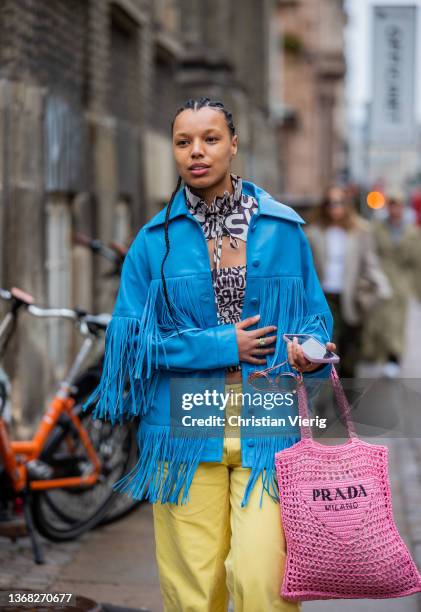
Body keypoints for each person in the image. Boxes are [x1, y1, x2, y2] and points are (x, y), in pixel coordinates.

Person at [84, 98, 336, 612]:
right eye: (184, 142)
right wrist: (223, 344)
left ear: (233, 145)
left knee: (262, 577)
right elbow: (128, 346)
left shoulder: (282, 228)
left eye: (211, 138)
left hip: (268, 414)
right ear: (175, 151)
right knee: (194, 588)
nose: (197, 152)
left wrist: (308, 350)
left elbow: (316, 317)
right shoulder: (154, 242)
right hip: (183, 421)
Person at [305, 186, 391, 378]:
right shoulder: (314, 232)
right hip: (325, 298)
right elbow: (307, 267)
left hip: (351, 297)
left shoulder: (361, 230)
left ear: (347, 205)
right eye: (330, 203)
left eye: (339, 203)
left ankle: (346, 400)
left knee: (350, 350)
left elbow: (370, 264)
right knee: (327, 347)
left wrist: (378, 290)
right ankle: (325, 398)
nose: (334, 208)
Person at [362, 195, 421, 377]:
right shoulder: (377, 228)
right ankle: (377, 355)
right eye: (392, 206)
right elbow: (369, 253)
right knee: (379, 322)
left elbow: (417, 262)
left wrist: (417, 290)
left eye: (398, 206)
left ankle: (394, 358)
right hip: (381, 281)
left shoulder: (411, 231)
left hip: (402, 283)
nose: (395, 210)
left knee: (397, 324)